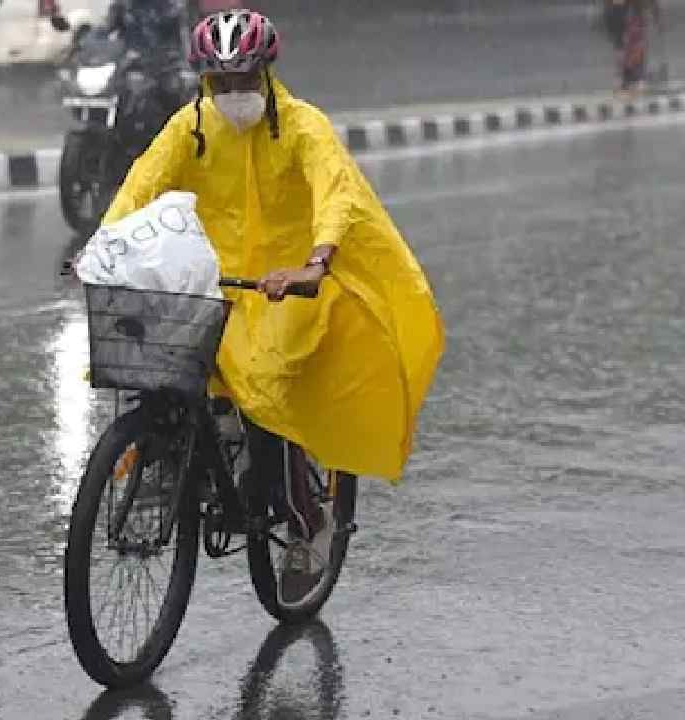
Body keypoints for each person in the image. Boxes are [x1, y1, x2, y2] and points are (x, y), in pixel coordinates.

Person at [96, 10, 444, 604]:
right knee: (155, 357)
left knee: (269, 391)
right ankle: (161, 464)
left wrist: (315, 261)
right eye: (221, 83)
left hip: (290, 287)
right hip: (216, 281)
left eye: (243, 80)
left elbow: (336, 192)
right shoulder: (192, 127)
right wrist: (103, 246)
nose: (233, 95)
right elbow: (142, 185)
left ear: (266, 73)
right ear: (206, 82)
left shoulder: (305, 127)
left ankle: (309, 525)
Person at [604, 0, 665, 96]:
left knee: (633, 45)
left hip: (629, 17)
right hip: (621, 16)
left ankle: (632, 78)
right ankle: (627, 79)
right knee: (625, 46)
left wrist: (656, 16)